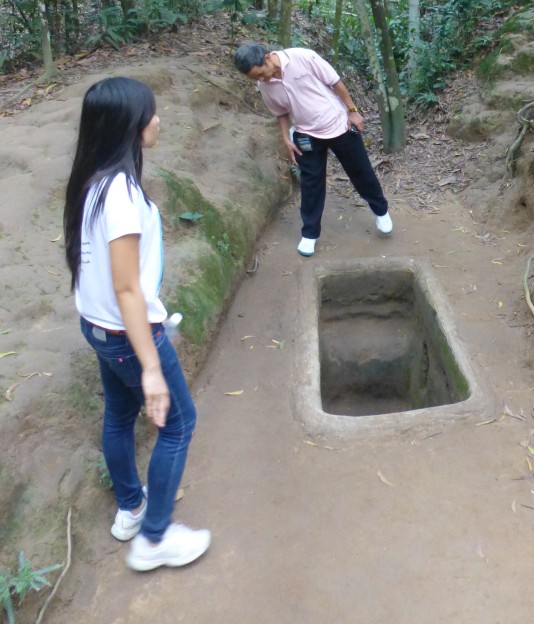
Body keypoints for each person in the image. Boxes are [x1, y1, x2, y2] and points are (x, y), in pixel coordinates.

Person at [63, 77, 211, 571]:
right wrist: (149, 364)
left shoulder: (92, 180)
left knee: (118, 416)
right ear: (129, 125)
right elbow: (127, 288)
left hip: (98, 327)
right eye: (150, 113)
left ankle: (131, 507)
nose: (158, 120)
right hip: (128, 335)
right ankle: (154, 538)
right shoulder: (122, 193)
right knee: (180, 424)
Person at [234, 42, 393, 256]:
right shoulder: (265, 85)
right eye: (256, 79)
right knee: (311, 183)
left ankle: (380, 211)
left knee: (361, 171)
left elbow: (335, 82)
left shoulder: (302, 58)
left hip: (337, 124)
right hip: (305, 134)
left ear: (268, 58)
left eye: (261, 74)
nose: (261, 80)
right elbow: (281, 112)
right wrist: (285, 138)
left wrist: (352, 111)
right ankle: (309, 234)